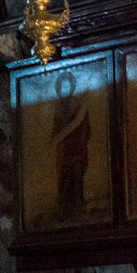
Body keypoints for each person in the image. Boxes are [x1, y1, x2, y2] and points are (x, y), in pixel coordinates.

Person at [50, 73, 93, 220]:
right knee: (64, 178)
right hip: (64, 149)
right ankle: (64, 209)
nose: (65, 89)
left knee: (77, 176)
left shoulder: (78, 104)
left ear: (71, 88)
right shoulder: (58, 106)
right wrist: (56, 137)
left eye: (67, 86)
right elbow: (56, 126)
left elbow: (84, 125)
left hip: (76, 148)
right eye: (63, 86)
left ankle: (78, 207)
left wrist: (81, 131)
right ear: (59, 88)